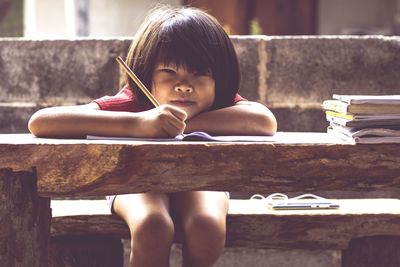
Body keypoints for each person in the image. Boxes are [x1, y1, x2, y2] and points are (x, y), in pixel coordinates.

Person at [28, 5, 277, 267]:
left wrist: (181, 125)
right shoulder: (133, 102)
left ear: (220, 78)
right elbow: (41, 122)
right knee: (152, 225)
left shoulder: (218, 103)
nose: (184, 85)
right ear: (146, 73)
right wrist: (138, 124)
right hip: (132, 181)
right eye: (169, 72)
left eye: (199, 73)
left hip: (201, 179)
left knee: (206, 225)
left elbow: (264, 120)